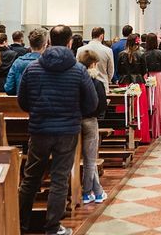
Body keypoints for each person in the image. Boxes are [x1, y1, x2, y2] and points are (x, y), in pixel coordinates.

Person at [18, 25, 98, 235]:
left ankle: (20, 224)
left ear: (49, 42)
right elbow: (92, 103)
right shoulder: (78, 70)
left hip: (39, 129)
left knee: (31, 178)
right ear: (70, 42)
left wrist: (38, 111)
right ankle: (52, 227)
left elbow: (23, 101)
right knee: (59, 179)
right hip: (67, 130)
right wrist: (74, 112)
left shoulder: (33, 68)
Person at [76, 50, 108, 205]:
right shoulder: (96, 82)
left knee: (83, 159)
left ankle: (98, 191)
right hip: (90, 120)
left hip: (74, 120)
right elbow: (100, 105)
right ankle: (87, 193)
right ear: (93, 63)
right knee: (90, 159)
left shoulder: (74, 79)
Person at [117, 34, 150, 144]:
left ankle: (121, 135)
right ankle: (140, 135)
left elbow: (119, 70)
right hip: (138, 84)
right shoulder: (141, 54)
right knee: (139, 110)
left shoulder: (121, 54)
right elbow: (144, 70)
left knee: (124, 109)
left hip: (124, 84)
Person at [5, 28, 48, 95]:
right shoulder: (48, 63)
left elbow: (9, 88)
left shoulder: (18, 62)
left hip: (22, 103)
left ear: (30, 44)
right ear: (45, 45)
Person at [76, 27, 114, 92]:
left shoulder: (80, 50)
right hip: (102, 84)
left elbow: (77, 67)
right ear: (102, 36)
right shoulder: (108, 50)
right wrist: (107, 79)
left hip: (84, 84)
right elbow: (111, 70)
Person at [144, 33, 161, 138]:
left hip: (147, 76)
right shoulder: (160, 53)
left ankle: (148, 127)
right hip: (158, 76)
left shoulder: (144, 53)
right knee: (158, 102)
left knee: (148, 101)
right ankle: (158, 128)